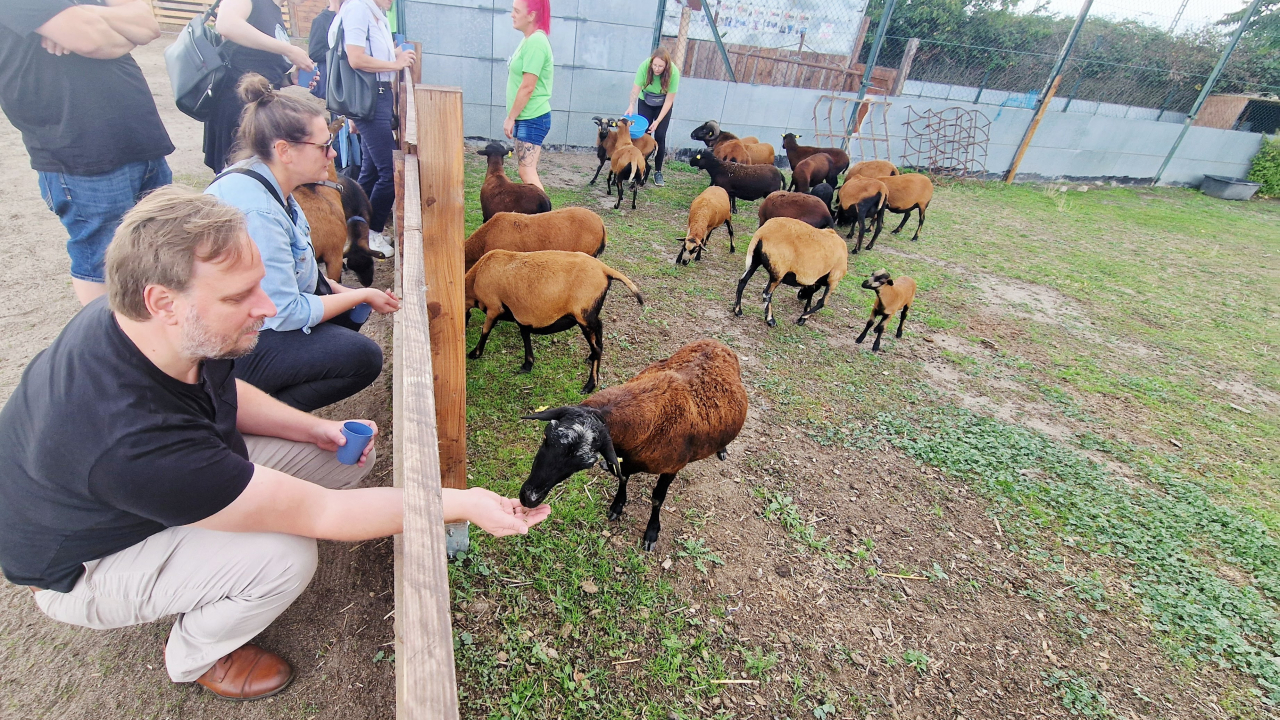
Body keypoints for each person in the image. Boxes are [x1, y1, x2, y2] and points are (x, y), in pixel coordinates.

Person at [0, 186, 550, 700]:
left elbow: (226, 390)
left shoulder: (145, 325)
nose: (266, 306)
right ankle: (195, 657)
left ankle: (222, 532)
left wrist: (315, 428)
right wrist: (465, 503)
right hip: (85, 565)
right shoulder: (132, 441)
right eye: (241, 294)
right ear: (163, 301)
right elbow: (327, 513)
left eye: (260, 281)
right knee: (285, 556)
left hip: (139, 492)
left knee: (339, 456)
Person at [207, 76, 399, 412]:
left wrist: (348, 296)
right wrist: (363, 293)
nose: (334, 153)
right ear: (285, 151)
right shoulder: (259, 213)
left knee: (347, 313)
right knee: (364, 357)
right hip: (227, 345)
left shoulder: (273, 182)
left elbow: (303, 277)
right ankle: (250, 413)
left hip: (252, 317)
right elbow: (284, 312)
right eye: (324, 146)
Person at [0, 0, 174, 306]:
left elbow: (147, 26)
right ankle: (109, 347)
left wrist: (86, 15)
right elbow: (91, 40)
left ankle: (154, 335)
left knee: (162, 247)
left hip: (139, 137)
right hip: (79, 150)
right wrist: (109, 27)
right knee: (101, 259)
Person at [329, 0, 415, 258]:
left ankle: (352, 230)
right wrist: (396, 63)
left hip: (374, 98)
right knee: (389, 171)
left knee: (369, 169)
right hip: (370, 98)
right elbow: (355, 58)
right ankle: (372, 234)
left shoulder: (376, 12)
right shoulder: (358, 8)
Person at [206, 0, 316, 172]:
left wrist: (289, 79)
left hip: (258, 108)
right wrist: (288, 50)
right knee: (244, 176)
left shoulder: (274, 10)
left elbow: (256, 63)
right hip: (238, 109)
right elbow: (226, 24)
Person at [503, 0, 553, 190]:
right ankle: (543, 218)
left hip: (532, 117)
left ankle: (546, 219)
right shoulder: (528, 39)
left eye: (516, 11)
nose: (512, 14)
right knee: (526, 170)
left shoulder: (536, 42)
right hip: (527, 117)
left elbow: (527, 87)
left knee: (527, 171)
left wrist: (511, 117)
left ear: (531, 15)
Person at [626, 47, 679, 187]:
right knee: (643, 134)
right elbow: (635, 90)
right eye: (655, 65)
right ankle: (638, 166)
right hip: (646, 101)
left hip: (663, 104)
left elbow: (669, 101)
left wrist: (658, 121)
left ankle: (658, 171)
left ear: (666, 66)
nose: (657, 69)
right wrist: (631, 105)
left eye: (660, 66)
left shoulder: (673, 73)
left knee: (660, 136)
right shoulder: (644, 66)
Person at [305, 0, 340, 99]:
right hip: (333, 78)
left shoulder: (352, 17)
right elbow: (315, 53)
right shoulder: (321, 20)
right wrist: (340, 53)